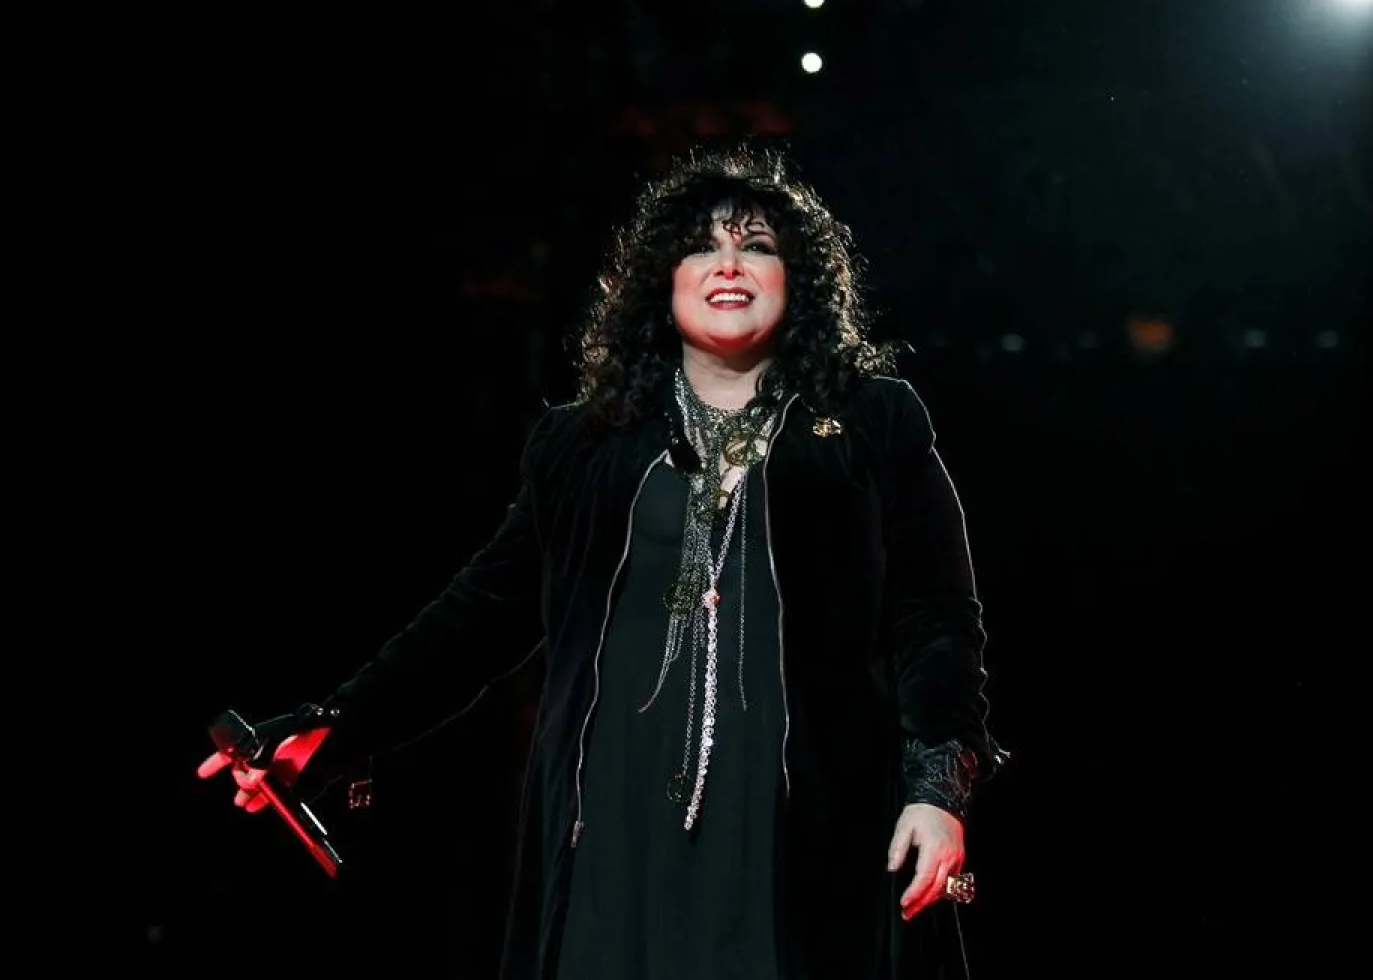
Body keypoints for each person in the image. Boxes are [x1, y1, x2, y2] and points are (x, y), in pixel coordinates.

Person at [198, 141, 1007, 979]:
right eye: (702, 245)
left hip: (803, 827)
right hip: (614, 825)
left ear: (796, 278)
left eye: (757, 246)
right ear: (663, 279)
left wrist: (936, 788)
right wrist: (336, 727)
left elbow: (938, 620)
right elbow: (476, 616)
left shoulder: (873, 424)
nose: (729, 265)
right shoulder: (585, 445)